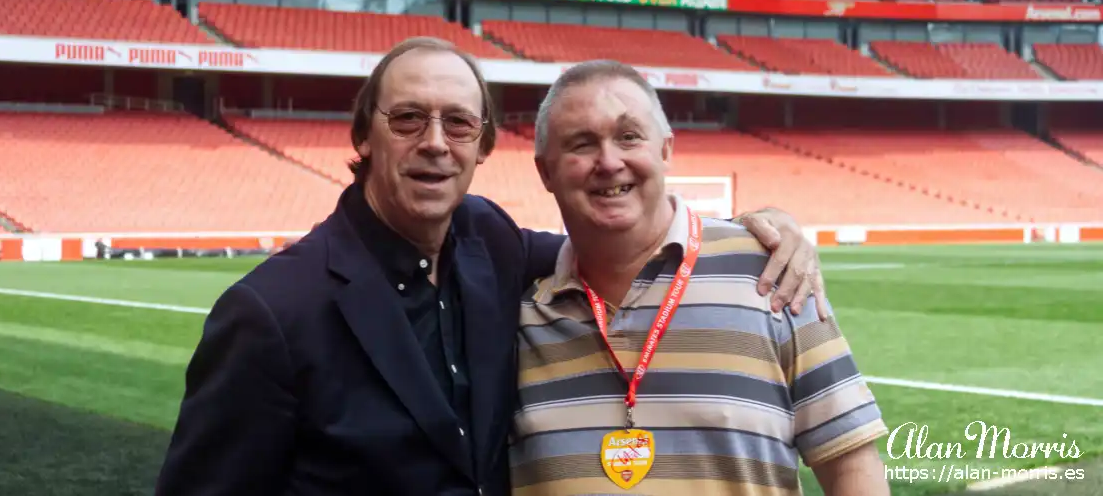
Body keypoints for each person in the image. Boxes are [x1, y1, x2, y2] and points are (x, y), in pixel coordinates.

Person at [154, 38, 829, 496]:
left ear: (482, 148)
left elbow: (610, 241)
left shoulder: (493, 243)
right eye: (409, 119)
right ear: (363, 134)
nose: (435, 144)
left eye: (458, 124)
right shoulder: (273, 312)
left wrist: (757, 231)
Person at [510, 59, 889, 496]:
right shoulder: (517, 317)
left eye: (628, 136)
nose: (609, 161)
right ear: (545, 172)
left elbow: (851, 466)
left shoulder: (772, 274)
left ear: (666, 150)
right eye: (581, 144)